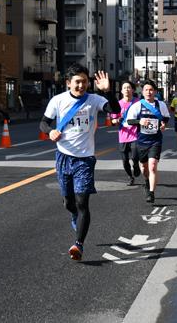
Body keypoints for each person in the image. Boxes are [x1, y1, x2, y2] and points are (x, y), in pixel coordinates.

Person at [40, 64, 120, 261]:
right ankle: (75, 216)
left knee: (82, 201)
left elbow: (115, 110)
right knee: (69, 202)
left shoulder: (94, 99)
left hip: (85, 159)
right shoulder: (58, 100)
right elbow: (43, 122)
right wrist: (50, 131)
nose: (82, 85)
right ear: (68, 83)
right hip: (63, 157)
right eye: (77, 82)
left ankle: (79, 245)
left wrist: (108, 91)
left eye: (85, 81)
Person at [126, 80, 171, 204]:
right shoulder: (137, 105)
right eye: (146, 90)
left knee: (152, 166)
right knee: (144, 168)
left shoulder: (160, 104)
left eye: (151, 90)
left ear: (155, 91)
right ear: (143, 92)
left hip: (155, 140)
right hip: (142, 141)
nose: (149, 92)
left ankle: (151, 193)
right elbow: (129, 121)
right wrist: (139, 122)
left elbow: (166, 117)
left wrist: (163, 124)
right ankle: (146, 181)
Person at [109, 80, 141, 185]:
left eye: (129, 87)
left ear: (132, 90)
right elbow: (112, 121)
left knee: (135, 157)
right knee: (125, 161)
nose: (127, 89)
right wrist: (116, 120)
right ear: (121, 91)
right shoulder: (118, 104)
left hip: (136, 135)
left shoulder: (138, 102)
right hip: (123, 136)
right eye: (124, 88)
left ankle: (136, 165)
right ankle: (130, 177)